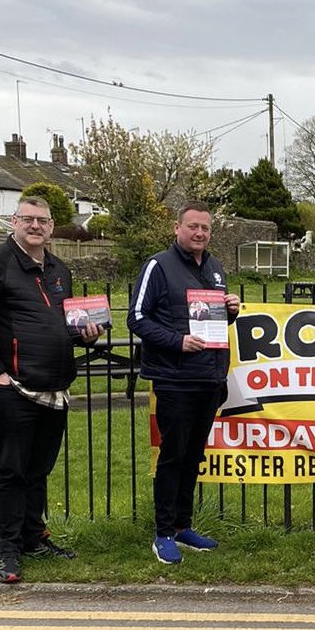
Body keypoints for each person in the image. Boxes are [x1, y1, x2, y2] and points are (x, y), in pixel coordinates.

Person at [0, 197, 101, 583]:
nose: (35, 226)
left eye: (43, 221)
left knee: (38, 470)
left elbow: (68, 323)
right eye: (28, 219)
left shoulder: (59, 269)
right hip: (11, 388)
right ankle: (7, 549)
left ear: (52, 227)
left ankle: (33, 537)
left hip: (53, 387)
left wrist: (86, 334)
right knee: (10, 471)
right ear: (13, 222)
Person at [128, 201, 240, 565]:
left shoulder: (216, 267)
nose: (199, 234)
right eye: (192, 227)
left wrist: (231, 313)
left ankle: (182, 526)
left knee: (193, 457)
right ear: (177, 228)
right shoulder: (158, 266)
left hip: (208, 378)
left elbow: (213, 324)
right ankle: (162, 533)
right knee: (173, 456)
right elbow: (137, 318)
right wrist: (178, 341)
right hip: (174, 380)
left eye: (205, 228)